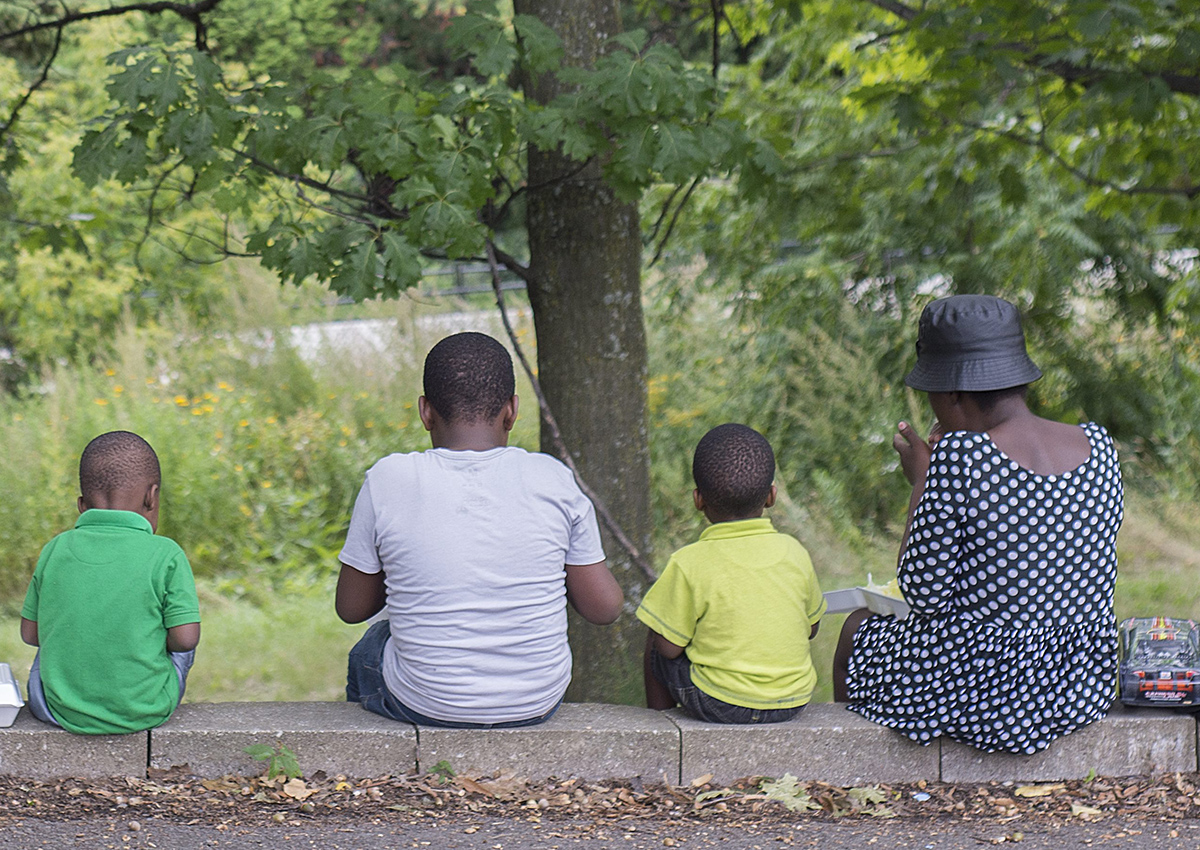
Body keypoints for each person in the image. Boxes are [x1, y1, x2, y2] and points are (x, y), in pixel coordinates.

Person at [832, 294, 1123, 754]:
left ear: (951, 393)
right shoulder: (1099, 446)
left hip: (988, 689)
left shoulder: (959, 458)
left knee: (855, 628)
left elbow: (924, 595)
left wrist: (921, 484)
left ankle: (852, 765)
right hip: (1078, 682)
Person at [336, 331, 624, 727]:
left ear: (425, 412)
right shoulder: (552, 478)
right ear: (512, 411)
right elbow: (604, 608)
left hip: (424, 701)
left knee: (369, 648)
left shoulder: (389, 479)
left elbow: (352, 609)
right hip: (535, 701)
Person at [638, 423, 826, 723]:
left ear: (698, 500)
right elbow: (812, 629)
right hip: (792, 700)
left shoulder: (688, 562)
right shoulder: (795, 553)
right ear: (771, 496)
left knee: (657, 632)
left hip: (719, 702)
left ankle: (660, 724)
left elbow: (668, 649)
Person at [20, 431, 201, 734]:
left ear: (81, 505)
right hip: (146, 709)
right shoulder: (166, 554)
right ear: (151, 497)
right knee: (182, 627)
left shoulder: (56, 548)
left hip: (55, 710)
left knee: (53, 642)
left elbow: (30, 634)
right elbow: (185, 640)